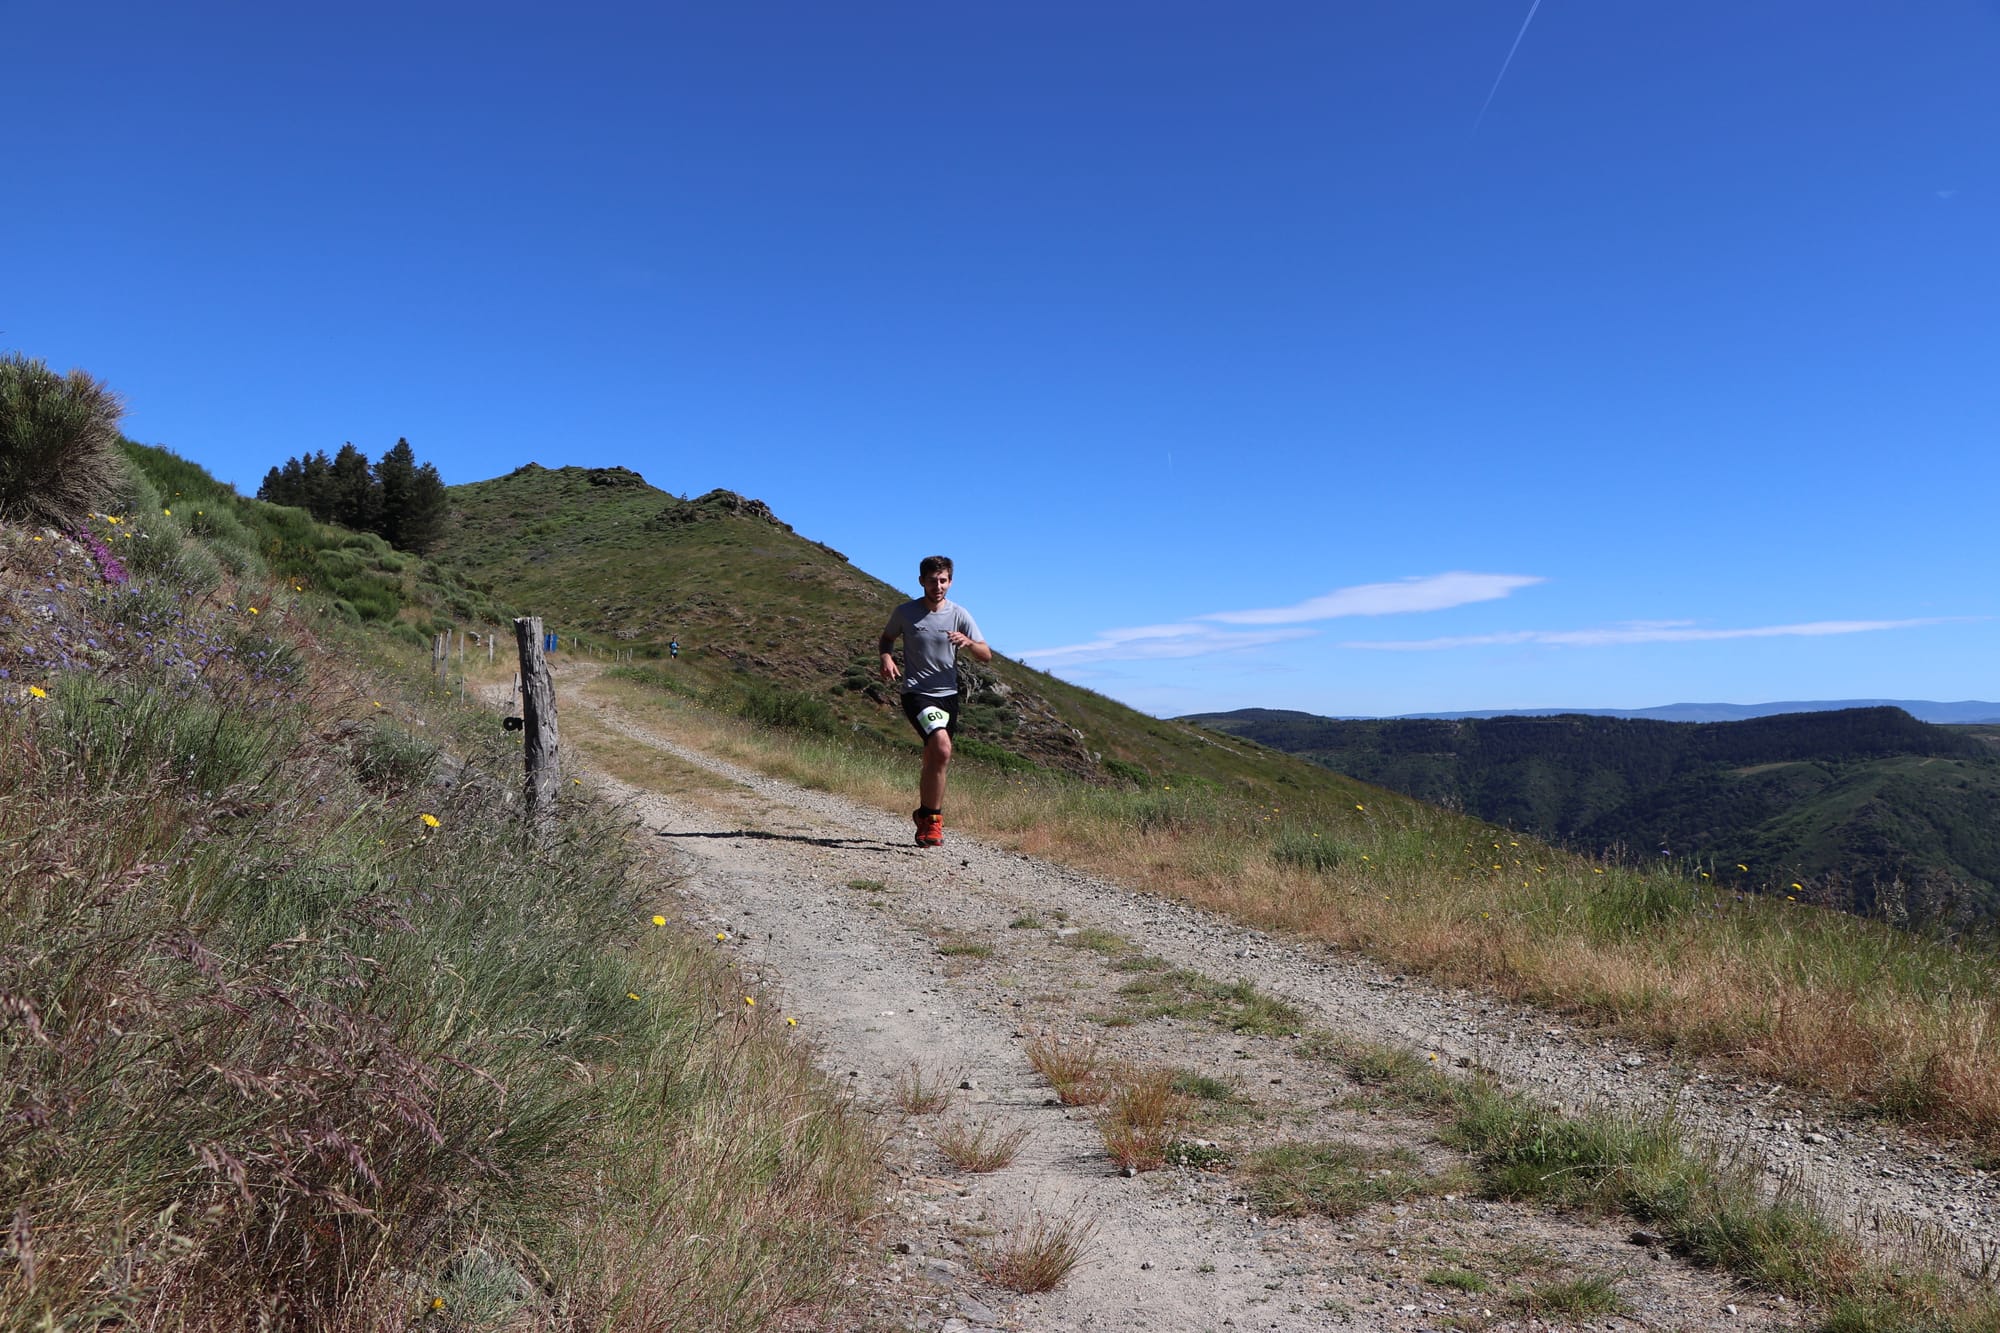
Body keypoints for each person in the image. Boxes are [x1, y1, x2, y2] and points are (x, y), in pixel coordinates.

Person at [879, 555, 991, 847]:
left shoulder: (959, 614)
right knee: (941, 747)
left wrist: (968, 643)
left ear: (950, 582)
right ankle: (934, 821)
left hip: (948, 697)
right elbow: (887, 637)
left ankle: (923, 815)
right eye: (932, 581)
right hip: (916, 693)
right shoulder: (905, 612)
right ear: (921, 581)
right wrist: (886, 657)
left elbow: (986, 654)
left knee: (935, 757)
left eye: (943, 581)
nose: (938, 586)